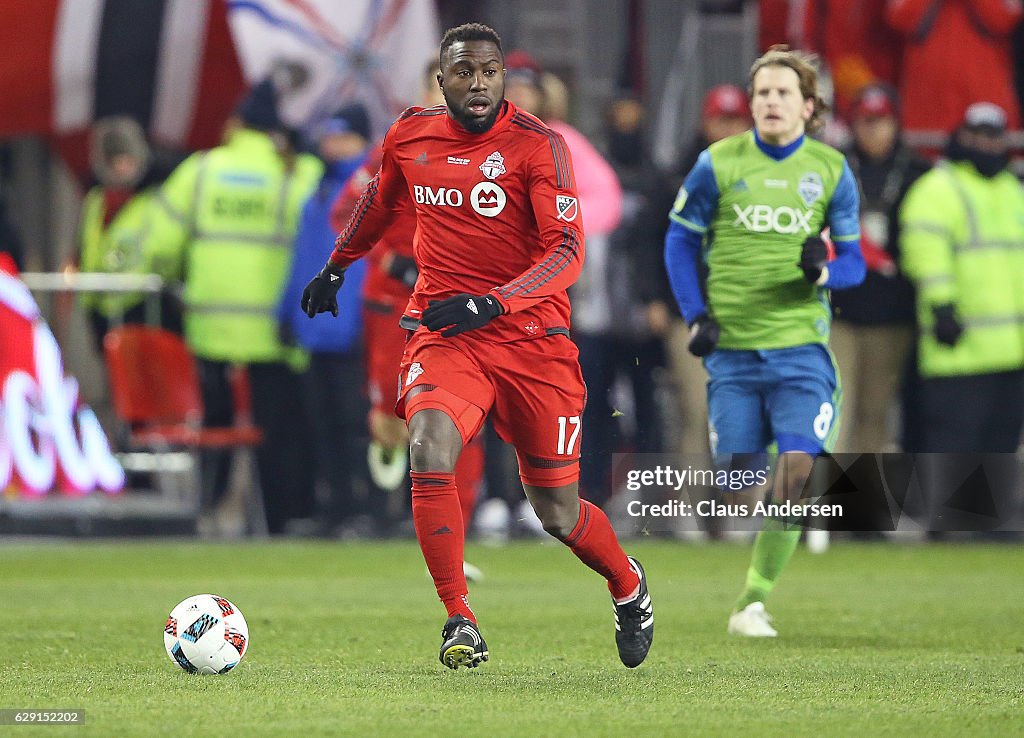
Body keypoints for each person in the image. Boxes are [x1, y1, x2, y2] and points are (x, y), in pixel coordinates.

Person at [302, 23, 653, 670]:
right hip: (446, 332)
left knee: (556, 510)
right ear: (444, 80)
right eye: (464, 71)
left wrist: (496, 300)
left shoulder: (537, 146)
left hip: (532, 341)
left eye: (489, 71)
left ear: (502, 77)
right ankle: (458, 618)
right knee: (429, 444)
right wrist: (336, 265)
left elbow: (568, 251)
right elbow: (377, 203)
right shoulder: (411, 134)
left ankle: (628, 584)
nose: (479, 82)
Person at [664, 46, 865, 636]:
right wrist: (696, 314)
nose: (770, 102)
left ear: (808, 106)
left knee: (795, 467)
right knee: (736, 477)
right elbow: (678, 242)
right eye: (762, 94)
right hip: (732, 351)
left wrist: (822, 270)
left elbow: (855, 263)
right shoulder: (718, 163)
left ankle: (751, 600)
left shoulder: (830, 170)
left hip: (801, 348)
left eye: (782, 93)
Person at [328, 61, 487, 575]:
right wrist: (389, 260)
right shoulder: (399, 144)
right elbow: (345, 213)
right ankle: (386, 515)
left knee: (461, 418)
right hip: (395, 307)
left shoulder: (496, 149)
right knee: (392, 421)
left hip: (457, 310)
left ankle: (453, 545)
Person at [146, 79, 322, 535]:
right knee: (277, 434)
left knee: (214, 430)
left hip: (209, 331)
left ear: (238, 123)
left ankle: (206, 513)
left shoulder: (202, 170)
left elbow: (157, 243)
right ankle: (282, 521)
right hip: (275, 334)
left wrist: (169, 275)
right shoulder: (298, 173)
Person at [899, 102, 1024, 455]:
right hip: (959, 349)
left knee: (1000, 444)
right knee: (956, 445)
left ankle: (988, 511)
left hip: (1012, 352)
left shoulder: (1012, 189)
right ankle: (955, 513)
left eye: (994, 136)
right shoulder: (938, 188)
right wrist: (942, 307)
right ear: (962, 136)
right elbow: (924, 252)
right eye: (978, 135)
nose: (986, 144)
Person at [277, 103, 378, 536]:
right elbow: (302, 259)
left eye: (342, 136)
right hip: (317, 330)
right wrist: (287, 312)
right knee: (323, 427)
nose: (332, 144)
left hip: (352, 329)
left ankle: (367, 509)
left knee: (357, 426)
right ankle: (335, 509)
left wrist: (367, 321)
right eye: (329, 136)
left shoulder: (370, 188)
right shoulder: (318, 191)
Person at [830, 84, 931, 453]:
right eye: (866, 121)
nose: (874, 130)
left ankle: (863, 503)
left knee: (875, 415)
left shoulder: (919, 173)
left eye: (882, 121)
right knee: (835, 412)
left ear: (895, 124)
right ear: (854, 124)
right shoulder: (830, 168)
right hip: (839, 310)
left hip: (892, 314)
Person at [71, 116, 180, 351]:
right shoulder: (95, 201)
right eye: (115, 161)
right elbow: (84, 247)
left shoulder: (155, 200)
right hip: (99, 307)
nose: (122, 167)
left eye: (128, 160)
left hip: (140, 306)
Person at [886, 0, 1022, 133]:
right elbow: (901, 17)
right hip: (927, 99)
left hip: (984, 94)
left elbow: (1004, 19)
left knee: (988, 146)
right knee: (923, 149)